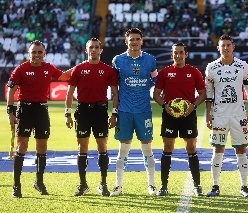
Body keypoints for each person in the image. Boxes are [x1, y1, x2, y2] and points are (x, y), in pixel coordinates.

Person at [6, 40, 72, 198]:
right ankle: (16, 185)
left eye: (39, 52)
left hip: (42, 109)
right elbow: (11, 91)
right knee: (21, 147)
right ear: (29, 54)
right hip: (25, 110)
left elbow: (63, 76)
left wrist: (81, 67)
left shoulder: (48, 68)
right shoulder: (21, 69)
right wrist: (10, 112)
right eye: (33, 52)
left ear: (44, 54)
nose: (36, 55)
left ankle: (39, 182)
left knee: (42, 147)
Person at [65, 38, 119, 196]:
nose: (94, 50)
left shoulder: (108, 70)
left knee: (102, 147)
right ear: (86, 50)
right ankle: (83, 184)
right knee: (82, 148)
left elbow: (115, 94)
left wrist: (114, 114)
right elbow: (69, 93)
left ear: (101, 50)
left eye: (96, 47)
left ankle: (103, 183)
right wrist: (67, 114)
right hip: (82, 111)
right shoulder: (78, 69)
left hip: (100, 111)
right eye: (91, 47)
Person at [204, 34, 248, 197]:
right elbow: (209, 92)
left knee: (241, 149)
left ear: (233, 47)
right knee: (218, 149)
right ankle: (215, 186)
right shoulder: (211, 67)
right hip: (219, 116)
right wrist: (208, 114)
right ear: (218, 48)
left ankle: (244, 186)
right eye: (222, 45)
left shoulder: (242, 66)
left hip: (238, 115)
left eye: (228, 45)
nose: (225, 48)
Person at [153, 42, 206, 196]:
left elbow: (202, 94)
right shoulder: (165, 72)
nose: (178, 55)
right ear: (172, 55)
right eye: (175, 52)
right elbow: (156, 94)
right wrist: (165, 106)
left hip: (188, 115)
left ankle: (197, 186)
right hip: (170, 115)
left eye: (181, 52)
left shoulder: (194, 72)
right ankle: (164, 186)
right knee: (167, 148)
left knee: (191, 149)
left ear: (186, 54)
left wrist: (193, 106)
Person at [110, 28, 158, 196]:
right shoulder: (118, 60)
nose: (135, 42)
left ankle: (151, 185)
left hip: (144, 110)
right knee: (123, 149)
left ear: (142, 41)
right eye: (132, 39)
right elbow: (113, 86)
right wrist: (114, 111)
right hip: (124, 111)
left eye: (137, 39)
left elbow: (157, 81)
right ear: (126, 42)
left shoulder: (150, 60)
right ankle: (118, 186)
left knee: (147, 148)